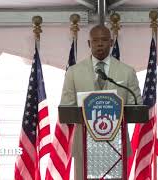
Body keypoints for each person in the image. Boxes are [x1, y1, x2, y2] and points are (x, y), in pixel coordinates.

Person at [60, 25, 142, 179]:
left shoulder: (127, 72)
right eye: (95, 40)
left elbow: (136, 105)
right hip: (84, 146)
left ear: (111, 42)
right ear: (89, 43)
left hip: (117, 145)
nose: (99, 43)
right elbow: (66, 108)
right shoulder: (74, 72)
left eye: (104, 40)